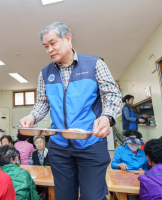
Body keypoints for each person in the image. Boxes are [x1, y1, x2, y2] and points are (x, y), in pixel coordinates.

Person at [19, 22, 122, 200]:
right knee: (64, 196)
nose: (49, 50)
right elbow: (43, 102)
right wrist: (32, 115)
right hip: (59, 146)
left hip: (90, 143)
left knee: (93, 197)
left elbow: (112, 95)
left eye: (53, 43)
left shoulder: (94, 64)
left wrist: (107, 117)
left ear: (68, 39)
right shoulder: (45, 73)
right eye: (46, 46)